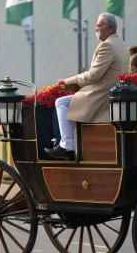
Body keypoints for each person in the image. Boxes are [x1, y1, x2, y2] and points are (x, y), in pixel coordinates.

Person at [46, 13, 128, 160]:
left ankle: (67, 145)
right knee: (67, 102)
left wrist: (67, 81)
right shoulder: (120, 44)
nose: (96, 29)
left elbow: (93, 76)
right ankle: (68, 143)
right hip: (112, 92)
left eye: (98, 26)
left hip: (101, 94)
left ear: (109, 28)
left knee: (61, 102)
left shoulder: (108, 45)